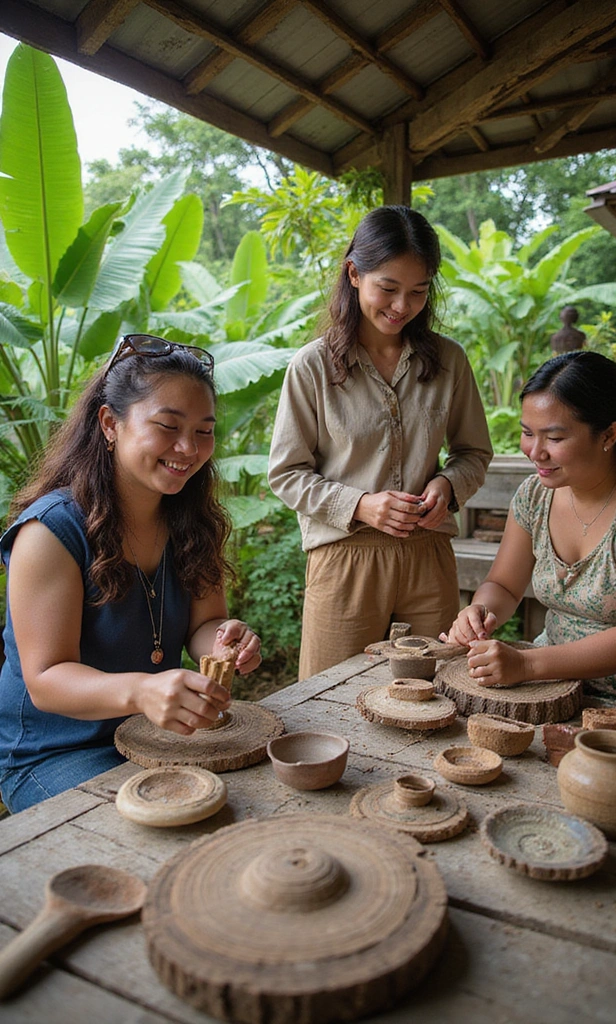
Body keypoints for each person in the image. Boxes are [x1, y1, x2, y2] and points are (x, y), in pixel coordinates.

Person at [0, 335, 262, 813]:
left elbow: (205, 628)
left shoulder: (193, 521)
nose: (189, 448)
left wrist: (226, 641)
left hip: (152, 735)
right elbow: (45, 678)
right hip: (55, 752)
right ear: (110, 424)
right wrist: (144, 690)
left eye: (205, 431)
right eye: (168, 426)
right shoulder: (49, 531)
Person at [268, 205, 492, 679]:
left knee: (436, 692)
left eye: (418, 291)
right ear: (354, 273)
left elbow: (474, 452)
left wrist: (449, 487)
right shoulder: (312, 367)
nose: (401, 306)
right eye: (387, 288)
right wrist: (361, 505)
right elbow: (286, 473)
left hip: (428, 554)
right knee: (329, 704)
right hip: (345, 560)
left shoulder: (449, 361)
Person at [446, 350, 616, 717]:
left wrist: (527, 665)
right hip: (553, 688)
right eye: (527, 433)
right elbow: (503, 585)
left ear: (609, 434)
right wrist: (478, 611)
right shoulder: (535, 495)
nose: (535, 452)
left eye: (554, 437)